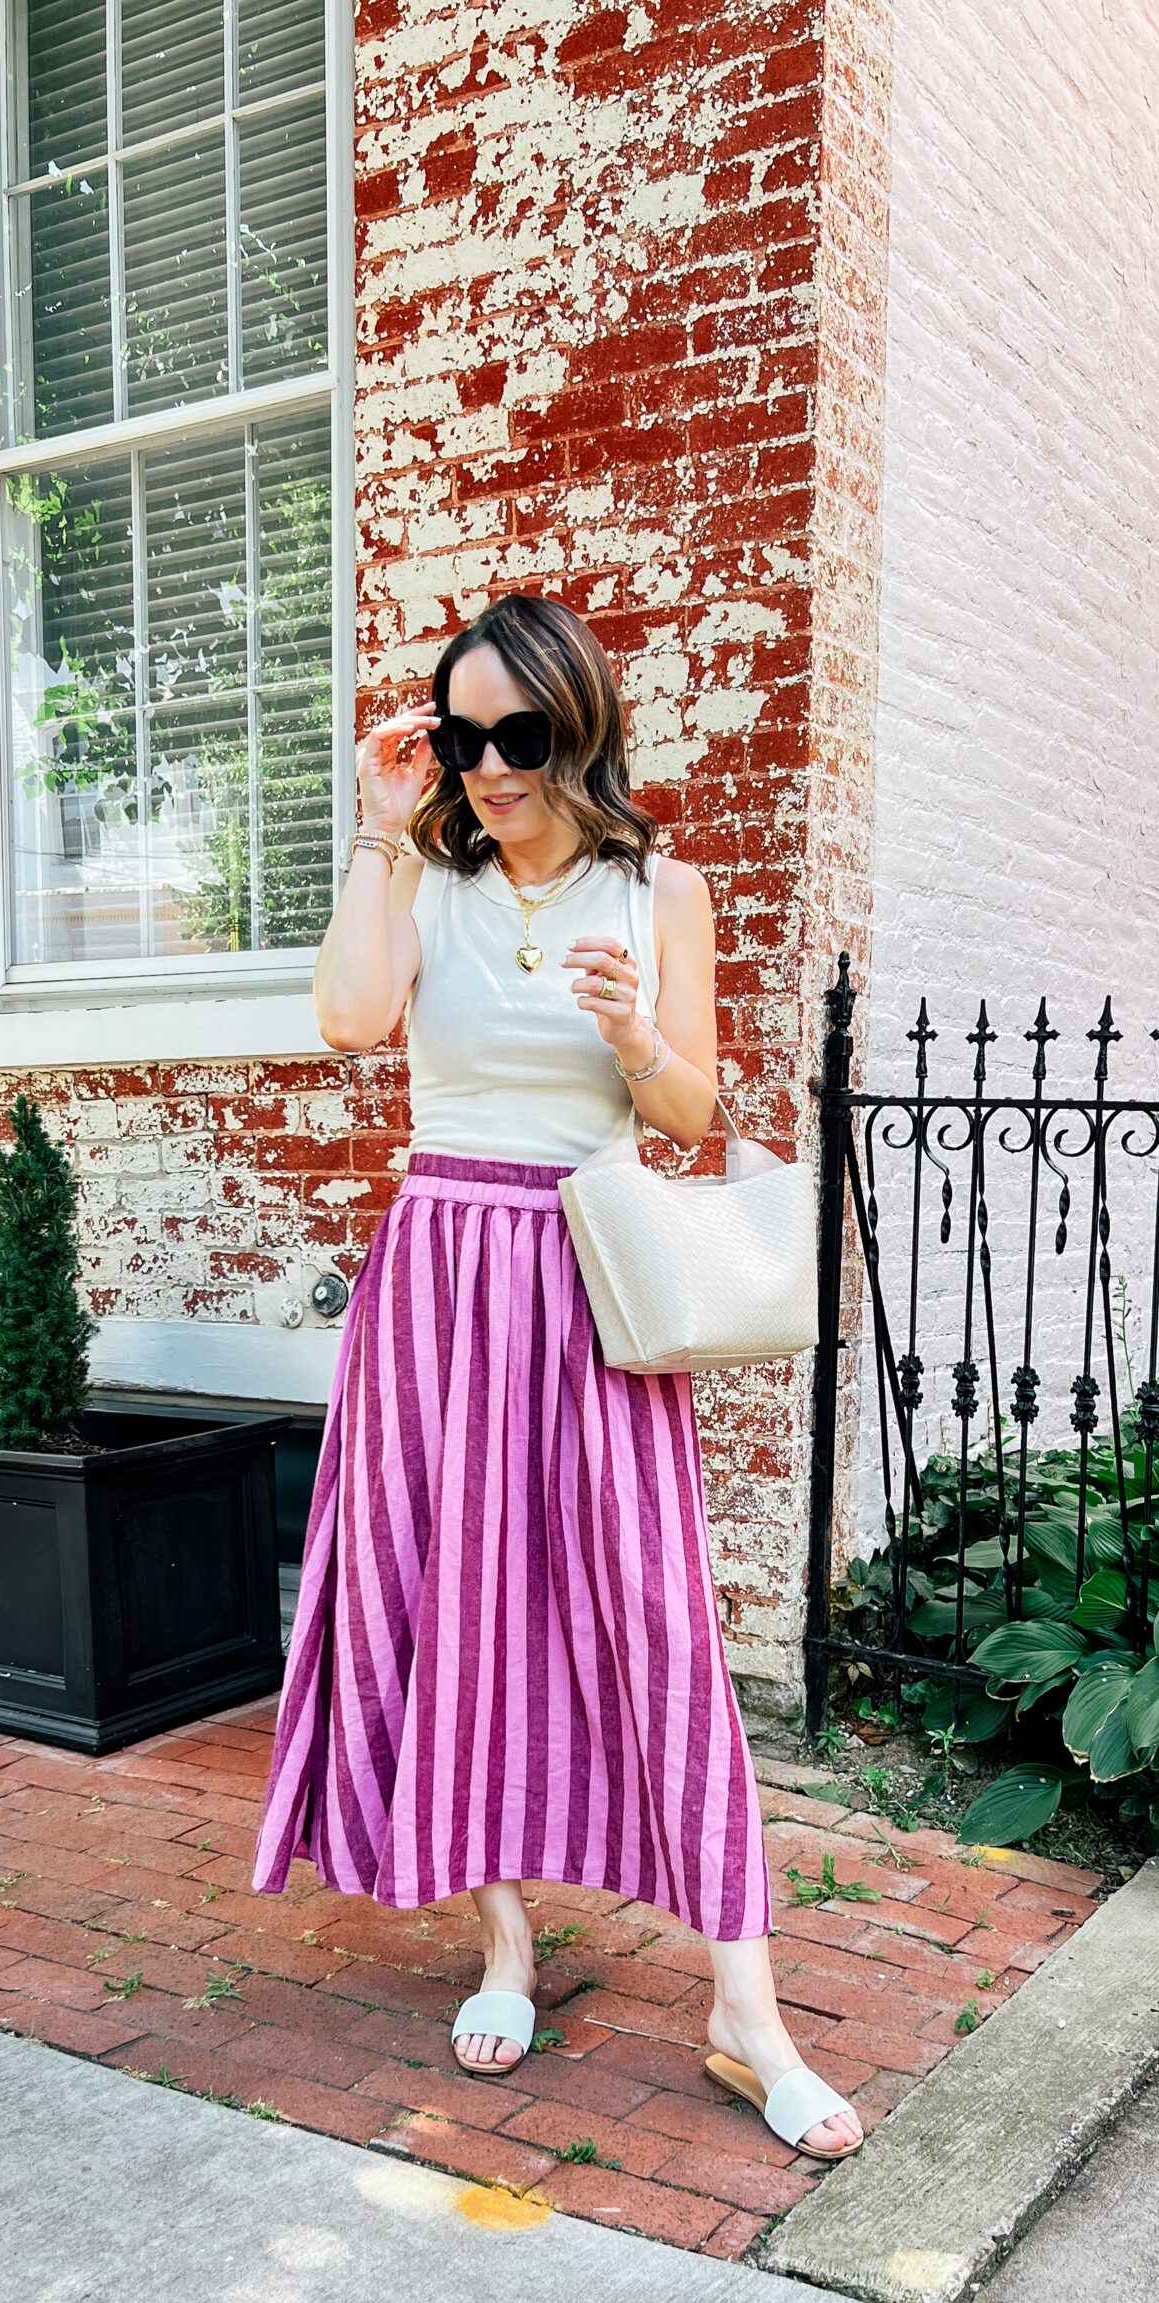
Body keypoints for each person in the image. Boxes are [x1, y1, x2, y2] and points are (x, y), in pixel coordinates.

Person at [250, 593, 863, 2161]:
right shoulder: (426, 876)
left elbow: (688, 1115)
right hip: (439, 1280)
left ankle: (745, 2011)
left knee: (648, 1616)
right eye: (461, 738)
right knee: (458, 1608)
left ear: (574, 729)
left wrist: (635, 1032)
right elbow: (346, 1019)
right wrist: (383, 836)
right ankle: (508, 1945)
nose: (489, 768)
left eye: (516, 736)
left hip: (585, 1277)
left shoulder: (662, 886)